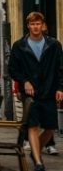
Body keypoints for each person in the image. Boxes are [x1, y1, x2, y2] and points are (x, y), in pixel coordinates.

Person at [8, 11, 63, 171]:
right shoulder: (19, 46)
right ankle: (38, 163)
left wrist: (60, 88)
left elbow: (61, 68)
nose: (35, 27)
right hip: (30, 95)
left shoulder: (54, 45)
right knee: (32, 126)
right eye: (32, 24)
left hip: (48, 91)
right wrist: (24, 82)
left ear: (43, 25)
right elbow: (12, 69)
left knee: (51, 127)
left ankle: (35, 151)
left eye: (38, 23)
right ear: (28, 26)